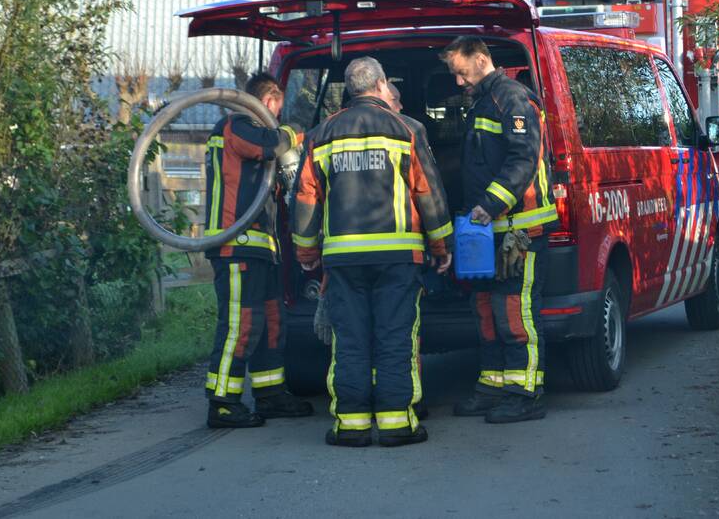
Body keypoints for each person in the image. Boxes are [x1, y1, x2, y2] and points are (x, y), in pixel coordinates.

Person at [293, 57, 453, 447]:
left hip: (343, 260)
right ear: (381, 84)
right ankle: (398, 425)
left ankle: (351, 426)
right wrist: (441, 245)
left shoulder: (321, 134)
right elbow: (428, 193)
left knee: (350, 340)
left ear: (349, 89)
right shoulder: (408, 129)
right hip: (398, 258)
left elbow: (306, 198)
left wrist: (305, 253)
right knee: (395, 338)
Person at [440, 36, 558, 424]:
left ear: (481, 59)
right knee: (487, 309)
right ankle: (493, 386)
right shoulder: (484, 101)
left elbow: (522, 159)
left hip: (518, 231)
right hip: (490, 230)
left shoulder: (511, 98)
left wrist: (488, 206)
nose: (458, 82)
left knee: (516, 311)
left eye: (461, 72)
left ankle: (526, 392)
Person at [203, 72, 314, 428]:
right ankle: (222, 402)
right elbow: (271, 145)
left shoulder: (250, 130)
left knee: (271, 322)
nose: (277, 116)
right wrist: (297, 132)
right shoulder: (235, 126)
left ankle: (270, 394)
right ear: (267, 102)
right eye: (277, 110)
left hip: (260, 248)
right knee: (240, 324)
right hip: (234, 246)